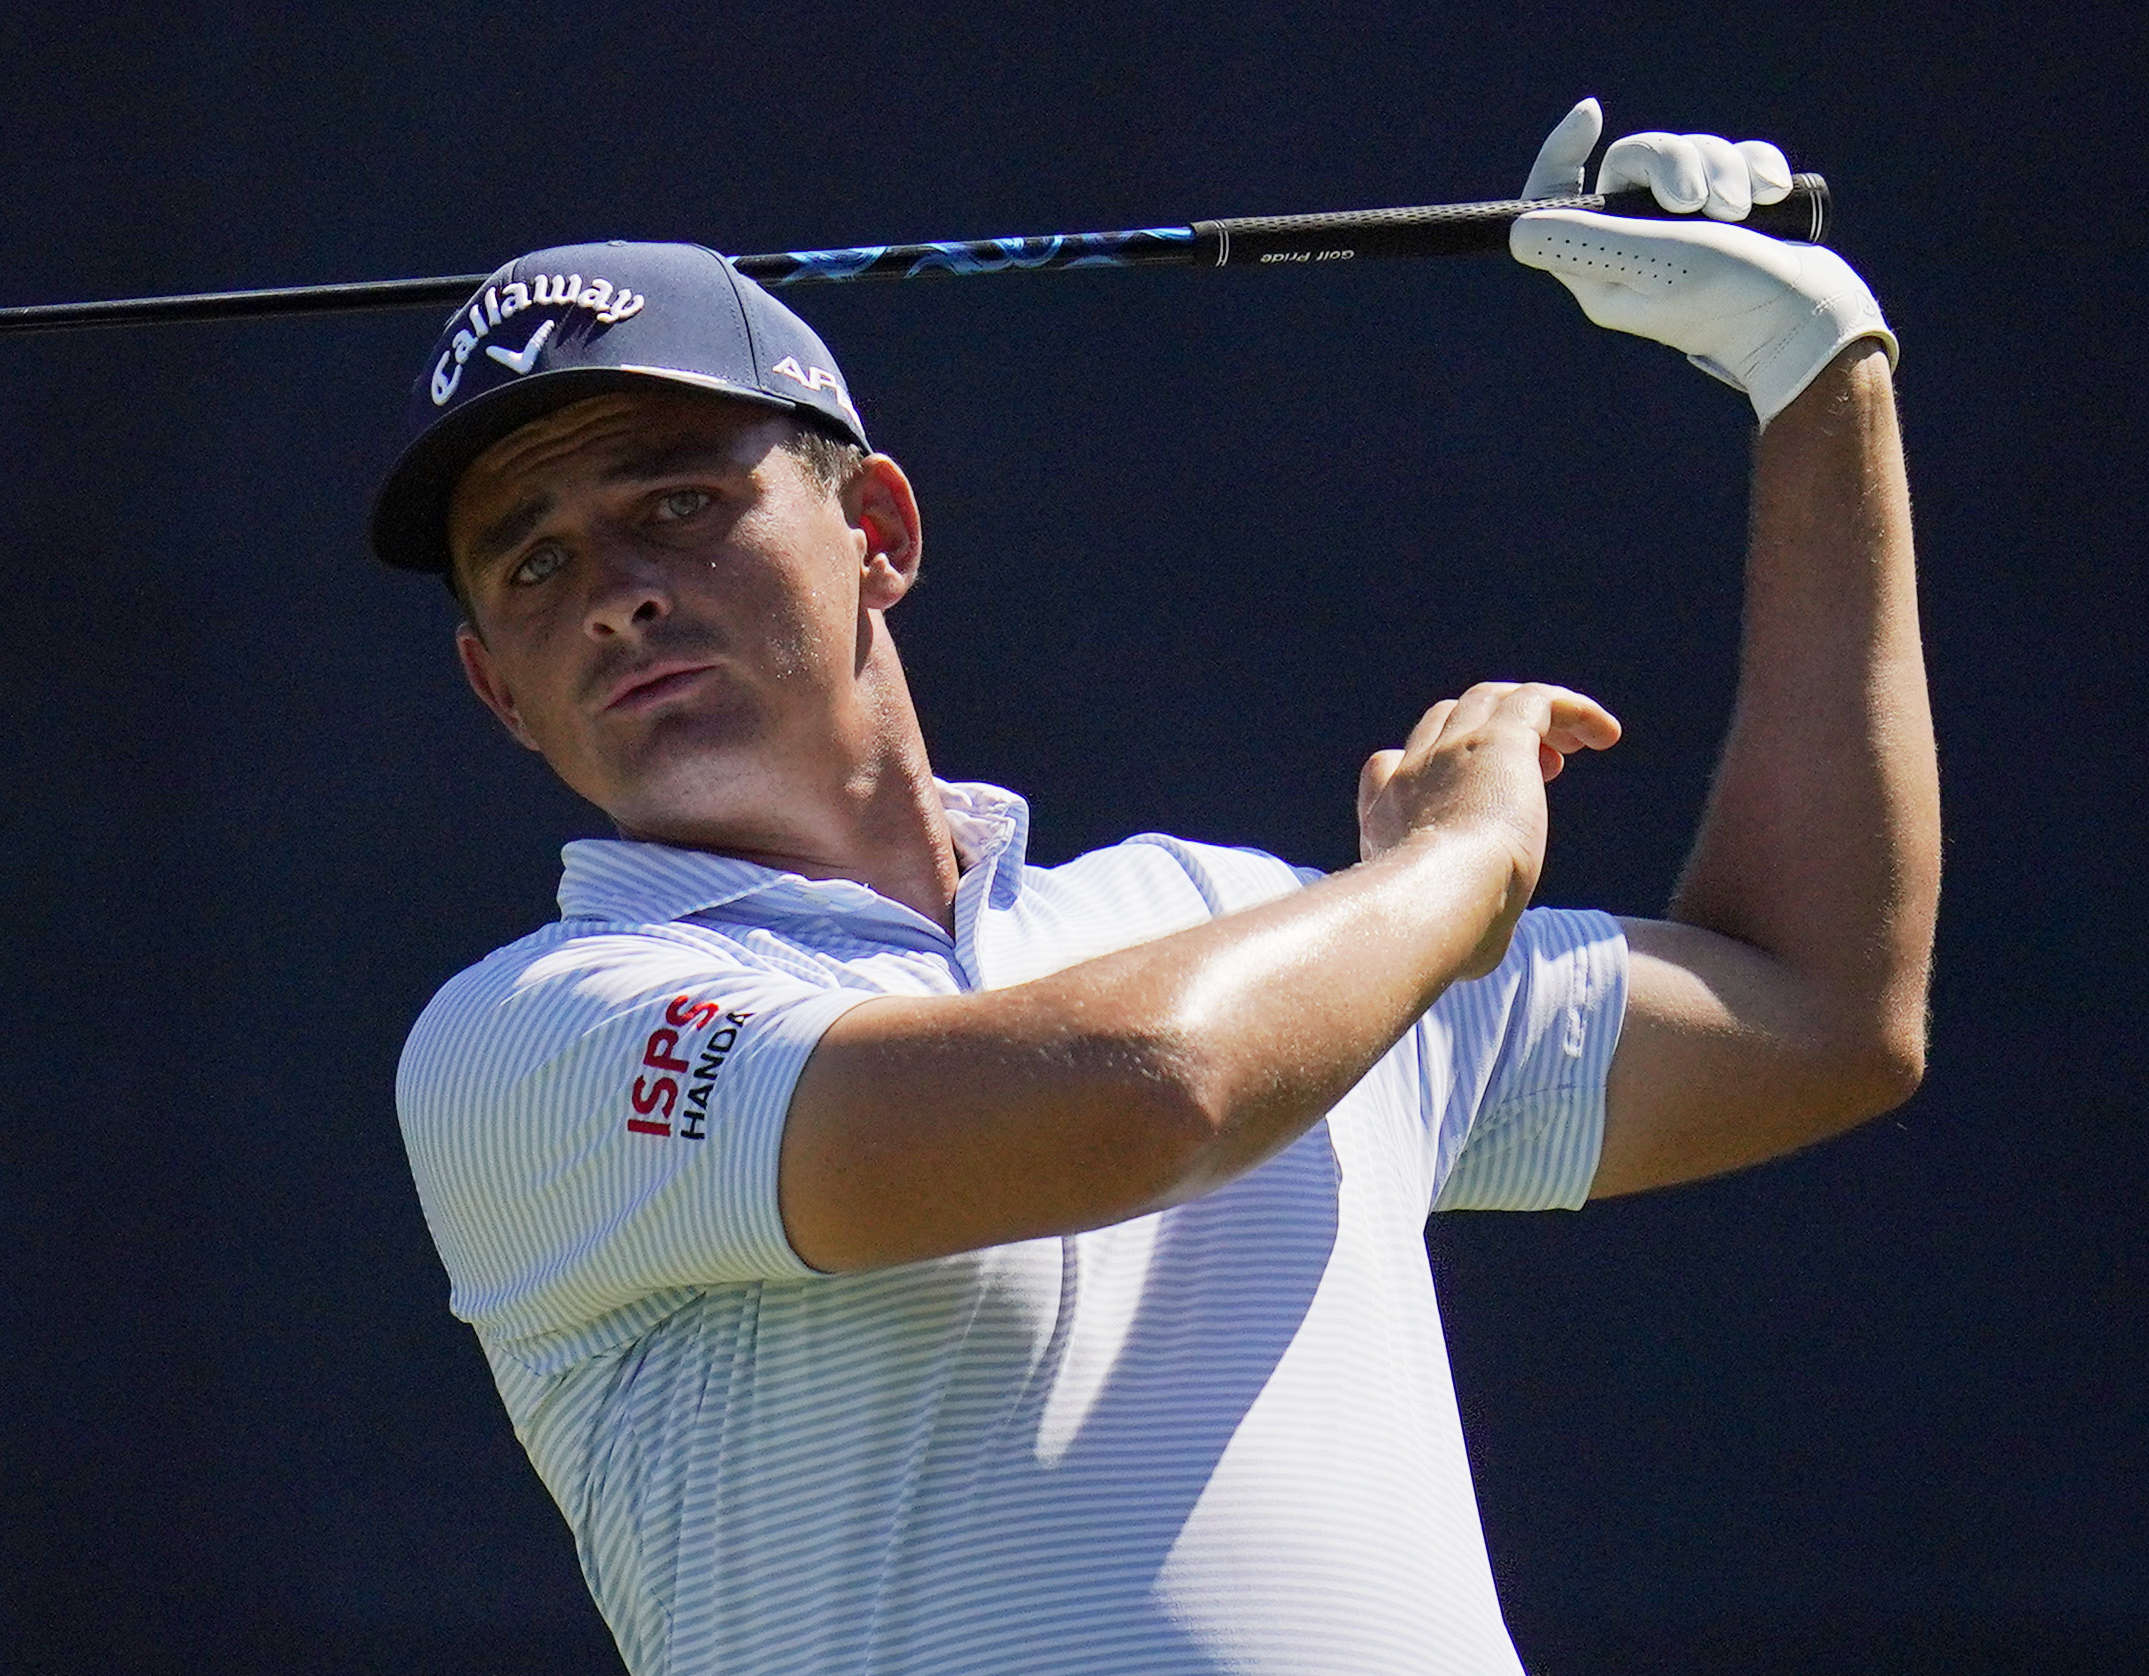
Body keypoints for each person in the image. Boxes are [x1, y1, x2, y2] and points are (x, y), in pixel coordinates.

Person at [370, 100, 1936, 1676]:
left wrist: (1813, 380)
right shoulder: (527, 1042)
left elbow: (1815, 1010)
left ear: (878, 533)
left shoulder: (1254, 928)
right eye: (533, 565)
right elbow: (1149, 1093)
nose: (619, 595)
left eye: (676, 506)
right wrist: (1461, 867)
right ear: (498, 689)